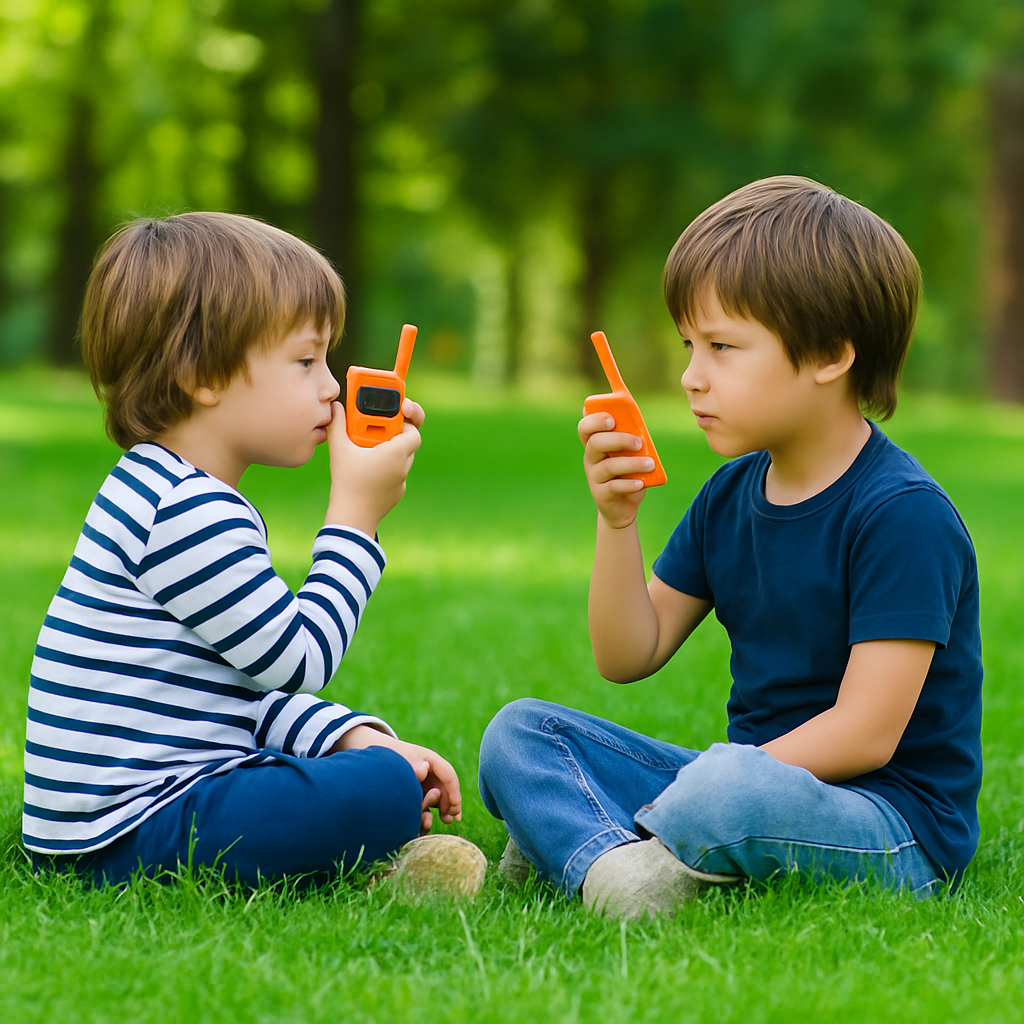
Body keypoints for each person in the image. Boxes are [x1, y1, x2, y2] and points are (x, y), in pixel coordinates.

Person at [479, 176, 983, 919]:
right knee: (521, 733)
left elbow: (866, 734)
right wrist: (617, 522)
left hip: (887, 824)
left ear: (830, 355)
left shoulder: (903, 515)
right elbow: (628, 655)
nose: (691, 377)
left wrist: (703, 789)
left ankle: (596, 846)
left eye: (721, 347)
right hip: (744, 785)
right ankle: (626, 863)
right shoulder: (729, 495)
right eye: (690, 345)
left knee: (727, 786)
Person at [24, 211, 474, 890]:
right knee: (380, 790)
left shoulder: (162, 487)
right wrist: (355, 518)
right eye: (305, 361)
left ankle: (360, 806)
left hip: (120, 819)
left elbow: (229, 692)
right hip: (132, 831)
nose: (332, 386)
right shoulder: (185, 509)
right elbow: (297, 660)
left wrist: (347, 734)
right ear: (202, 374)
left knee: (373, 770)